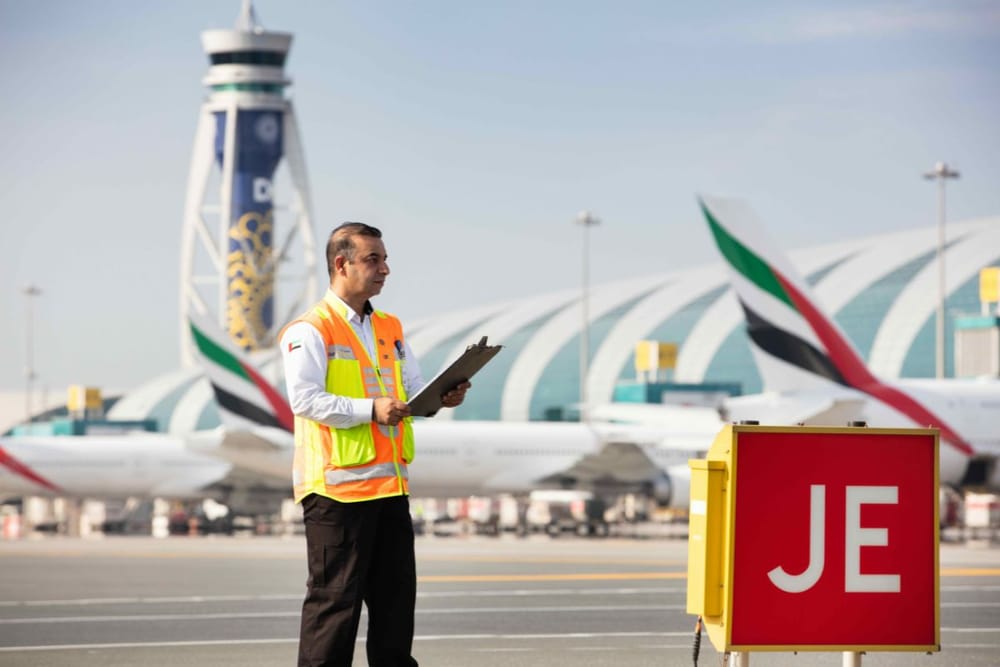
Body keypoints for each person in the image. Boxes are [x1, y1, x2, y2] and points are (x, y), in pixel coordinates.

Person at [279, 222, 469, 666]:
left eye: (384, 259)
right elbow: (304, 400)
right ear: (341, 264)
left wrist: (441, 398)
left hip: (390, 490)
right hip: (336, 493)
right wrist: (371, 410)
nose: (386, 268)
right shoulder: (309, 329)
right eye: (374, 259)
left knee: (396, 609)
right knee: (334, 608)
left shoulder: (390, 326)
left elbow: (413, 390)